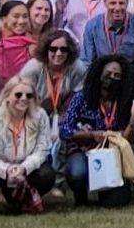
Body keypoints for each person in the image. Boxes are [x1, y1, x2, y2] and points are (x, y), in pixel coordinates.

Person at [60, 55, 134, 207]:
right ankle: (81, 198)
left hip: (112, 156)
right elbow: (64, 131)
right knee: (78, 173)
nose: (112, 77)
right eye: (108, 73)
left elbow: (126, 141)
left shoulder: (126, 102)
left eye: (117, 75)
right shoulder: (81, 98)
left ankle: (118, 188)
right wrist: (91, 134)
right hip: (83, 151)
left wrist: (132, 122)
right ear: (99, 74)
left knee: (116, 202)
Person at [0, 78, 55, 219]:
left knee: (46, 175)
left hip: (23, 165)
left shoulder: (40, 116)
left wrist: (24, 168)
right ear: (7, 96)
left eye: (29, 95)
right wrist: (6, 169)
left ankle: (22, 200)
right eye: (18, 95)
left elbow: (42, 149)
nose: (24, 99)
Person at [18, 29, 88, 192]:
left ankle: (58, 181)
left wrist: (64, 117)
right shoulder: (33, 68)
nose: (58, 53)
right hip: (34, 111)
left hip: (64, 111)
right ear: (46, 49)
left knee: (64, 133)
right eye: (53, 49)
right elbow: (22, 96)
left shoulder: (77, 67)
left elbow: (78, 95)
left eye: (63, 49)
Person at [79, 0, 134, 93]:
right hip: (102, 83)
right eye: (113, 3)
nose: (117, 8)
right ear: (105, 3)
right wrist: (86, 91)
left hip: (130, 83)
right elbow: (87, 62)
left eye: (121, 3)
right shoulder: (92, 26)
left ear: (127, 4)